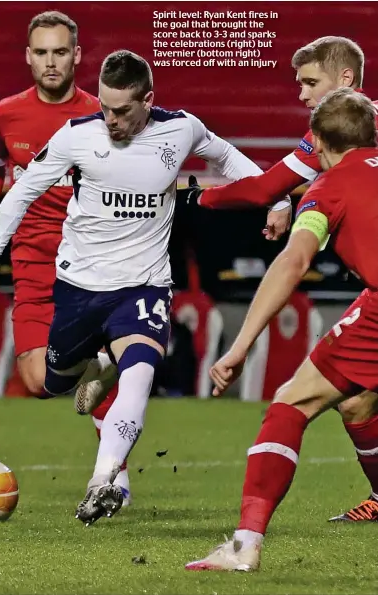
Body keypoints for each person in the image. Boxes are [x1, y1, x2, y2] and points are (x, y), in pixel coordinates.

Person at [0, 49, 290, 525]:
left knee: (141, 370)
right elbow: (21, 193)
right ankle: (98, 367)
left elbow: (225, 156)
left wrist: (276, 197)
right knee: (50, 381)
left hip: (144, 285)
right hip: (79, 286)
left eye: (122, 110)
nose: (111, 119)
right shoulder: (78, 136)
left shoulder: (180, 129)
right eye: (105, 108)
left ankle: (104, 480)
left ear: (148, 100)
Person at [187, 36, 378, 523]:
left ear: (346, 81)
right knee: (355, 402)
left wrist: (194, 200)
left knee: (300, 400)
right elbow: (270, 187)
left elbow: (274, 200)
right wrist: (206, 199)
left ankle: (246, 538)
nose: (302, 95)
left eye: (311, 83)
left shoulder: (339, 145)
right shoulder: (337, 138)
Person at [0, 11, 131, 501]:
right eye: (41, 52)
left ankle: (113, 481)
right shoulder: (6, 114)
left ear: (77, 56)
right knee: (37, 379)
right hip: (32, 259)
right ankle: (98, 367)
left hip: (90, 259)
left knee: (102, 371)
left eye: (61, 52)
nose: (51, 62)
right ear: (28, 56)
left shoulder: (105, 113)